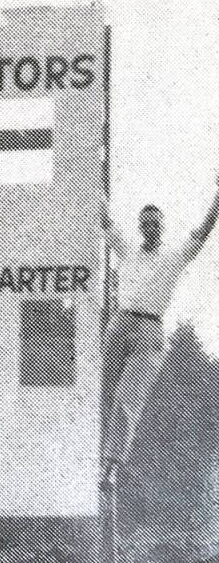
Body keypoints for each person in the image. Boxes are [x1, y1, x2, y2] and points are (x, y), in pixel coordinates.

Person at [99, 178, 219, 487]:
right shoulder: (128, 251)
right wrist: (92, 186)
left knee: (128, 397)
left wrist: (217, 197)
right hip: (119, 323)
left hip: (149, 329)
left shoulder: (173, 257)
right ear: (140, 227)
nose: (150, 228)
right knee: (94, 382)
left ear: (162, 228)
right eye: (146, 223)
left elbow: (201, 233)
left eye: (156, 224)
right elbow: (106, 219)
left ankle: (109, 467)